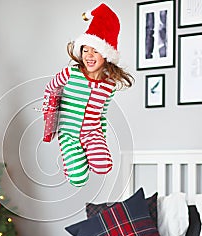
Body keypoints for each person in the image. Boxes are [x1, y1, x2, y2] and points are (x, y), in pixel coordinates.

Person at [42, 3, 134, 187]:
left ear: (106, 54)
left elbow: (102, 115)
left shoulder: (109, 86)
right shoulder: (70, 74)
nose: (89, 55)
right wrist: (49, 112)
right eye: (85, 50)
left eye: (96, 50)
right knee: (78, 179)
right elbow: (50, 90)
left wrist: (101, 140)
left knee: (103, 166)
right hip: (68, 133)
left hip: (92, 133)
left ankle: (88, 154)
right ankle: (73, 162)